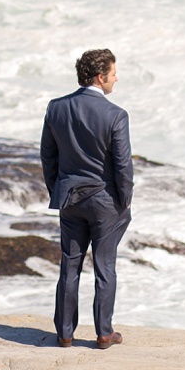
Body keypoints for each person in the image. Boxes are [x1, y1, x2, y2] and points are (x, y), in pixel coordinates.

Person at [40, 48, 134, 349]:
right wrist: (126, 199)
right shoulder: (116, 114)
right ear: (100, 76)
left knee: (69, 265)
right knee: (105, 267)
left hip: (69, 197)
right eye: (113, 73)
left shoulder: (56, 108)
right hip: (105, 201)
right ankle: (104, 333)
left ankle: (65, 334)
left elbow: (48, 157)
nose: (116, 78)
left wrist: (58, 188)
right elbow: (122, 165)